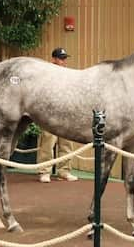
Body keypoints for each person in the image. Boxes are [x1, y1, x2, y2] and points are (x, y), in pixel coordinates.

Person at [36, 47, 79, 183]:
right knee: (48, 141)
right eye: (61, 58)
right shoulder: (46, 73)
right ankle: (45, 171)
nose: (63, 61)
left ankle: (64, 171)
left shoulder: (68, 73)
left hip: (66, 112)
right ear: (53, 59)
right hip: (50, 113)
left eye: (65, 58)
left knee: (66, 143)